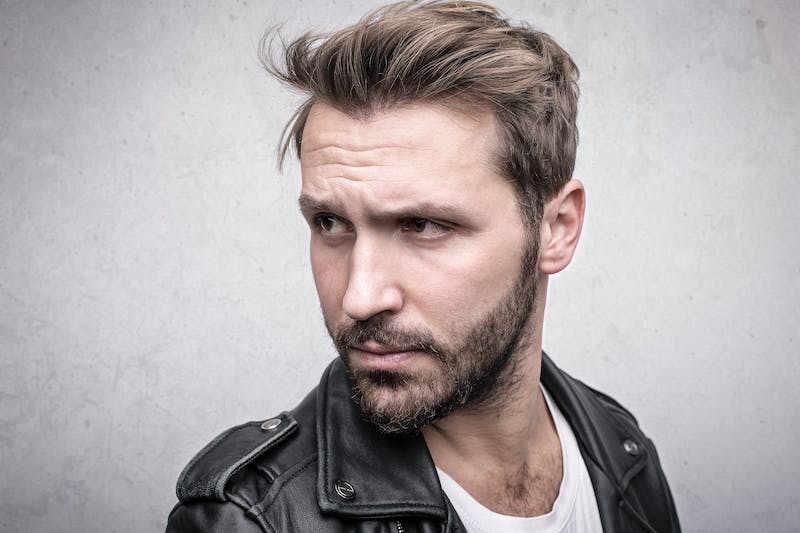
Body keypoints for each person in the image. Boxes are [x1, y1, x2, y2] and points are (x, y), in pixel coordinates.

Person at [165, 1, 681, 531]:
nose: (359, 298)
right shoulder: (250, 522)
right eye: (329, 223)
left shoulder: (621, 448)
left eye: (425, 226)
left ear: (557, 228)